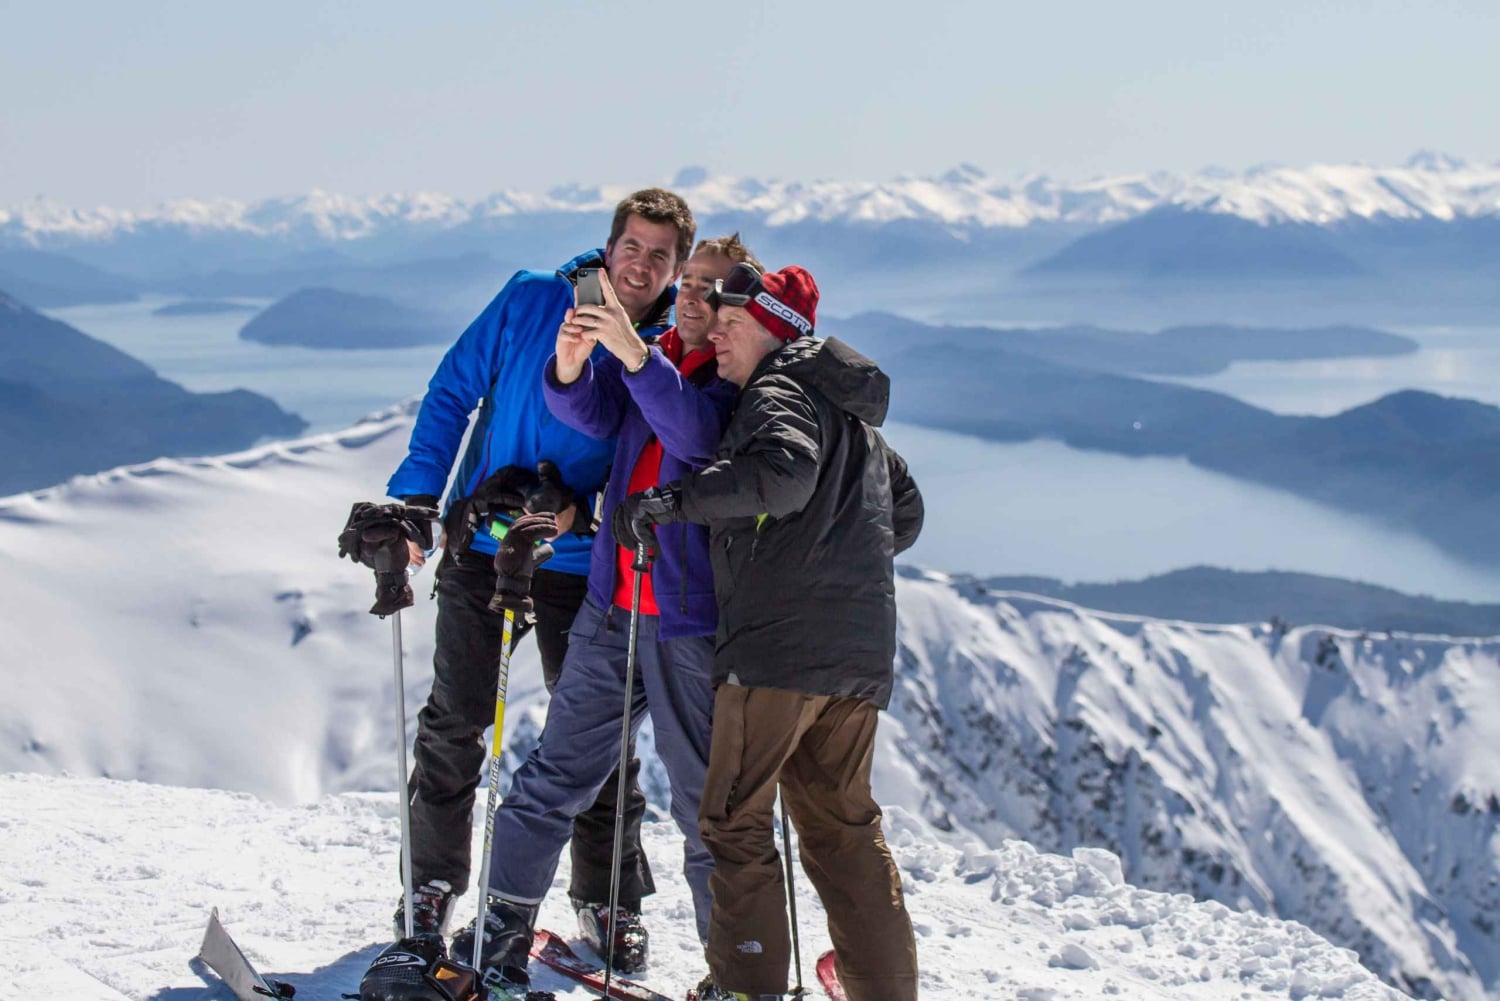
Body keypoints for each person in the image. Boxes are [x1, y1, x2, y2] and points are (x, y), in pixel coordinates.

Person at [382, 188, 697, 960]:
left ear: (677, 268)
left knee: (594, 734)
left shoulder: (664, 348)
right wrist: (418, 497)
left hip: (585, 562)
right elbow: (453, 390)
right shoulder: (531, 299)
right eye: (632, 246)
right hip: (484, 541)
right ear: (609, 247)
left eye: (660, 255)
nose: (642, 264)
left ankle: (607, 894)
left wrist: (579, 512)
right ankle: (431, 884)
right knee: (456, 719)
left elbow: (661, 453)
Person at [452, 235, 762, 986]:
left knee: (704, 807)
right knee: (554, 774)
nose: (691, 297)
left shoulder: (739, 378)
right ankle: (501, 926)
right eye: (688, 282)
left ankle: (733, 972)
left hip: (689, 622)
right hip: (613, 604)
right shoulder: (658, 353)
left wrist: (633, 354)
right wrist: (568, 364)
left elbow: (696, 436)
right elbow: (592, 414)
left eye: (709, 287)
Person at [617, 264, 925, 1001]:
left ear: (774, 332)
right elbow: (905, 515)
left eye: (732, 323)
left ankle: (745, 987)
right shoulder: (850, 414)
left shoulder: (777, 390)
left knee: (734, 820)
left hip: (776, 656)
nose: (716, 335)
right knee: (842, 829)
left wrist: (671, 500)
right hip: (856, 659)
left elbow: (783, 476)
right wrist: (832, 553)